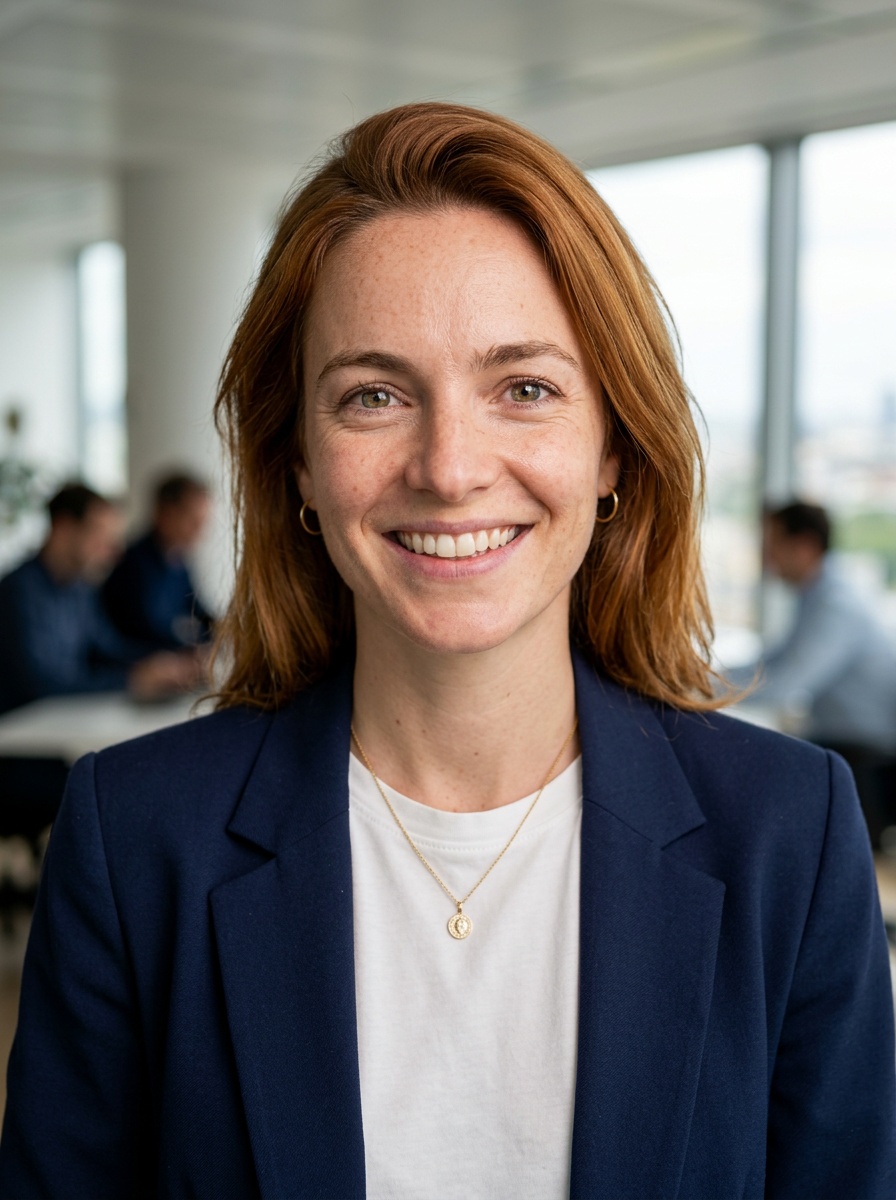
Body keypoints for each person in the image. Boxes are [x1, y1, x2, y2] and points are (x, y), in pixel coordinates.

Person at [1, 104, 893, 1199]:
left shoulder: (787, 837)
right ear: (295, 469)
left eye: (523, 389)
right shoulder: (134, 842)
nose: (449, 465)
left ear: (610, 445)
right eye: (373, 396)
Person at [729, 500, 896, 843]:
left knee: (758, 774)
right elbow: (772, 663)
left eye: (772, 542)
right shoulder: (817, 594)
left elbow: (787, 683)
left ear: (803, 545)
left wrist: (697, 687)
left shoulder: (836, 603)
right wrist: (702, 677)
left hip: (867, 756)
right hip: (847, 745)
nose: (765, 555)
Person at [0, 482, 204, 714]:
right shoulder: (18, 591)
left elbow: (107, 648)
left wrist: (166, 663)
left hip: (57, 722)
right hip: (18, 733)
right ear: (64, 528)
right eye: (100, 536)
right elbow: (42, 684)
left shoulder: (79, 590)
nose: (113, 552)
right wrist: (131, 680)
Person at [102, 470, 214, 652]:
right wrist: (196, 643)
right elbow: (151, 630)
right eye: (193, 522)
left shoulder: (178, 561)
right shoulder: (133, 564)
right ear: (166, 514)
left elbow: (197, 608)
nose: (200, 532)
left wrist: (226, 629)